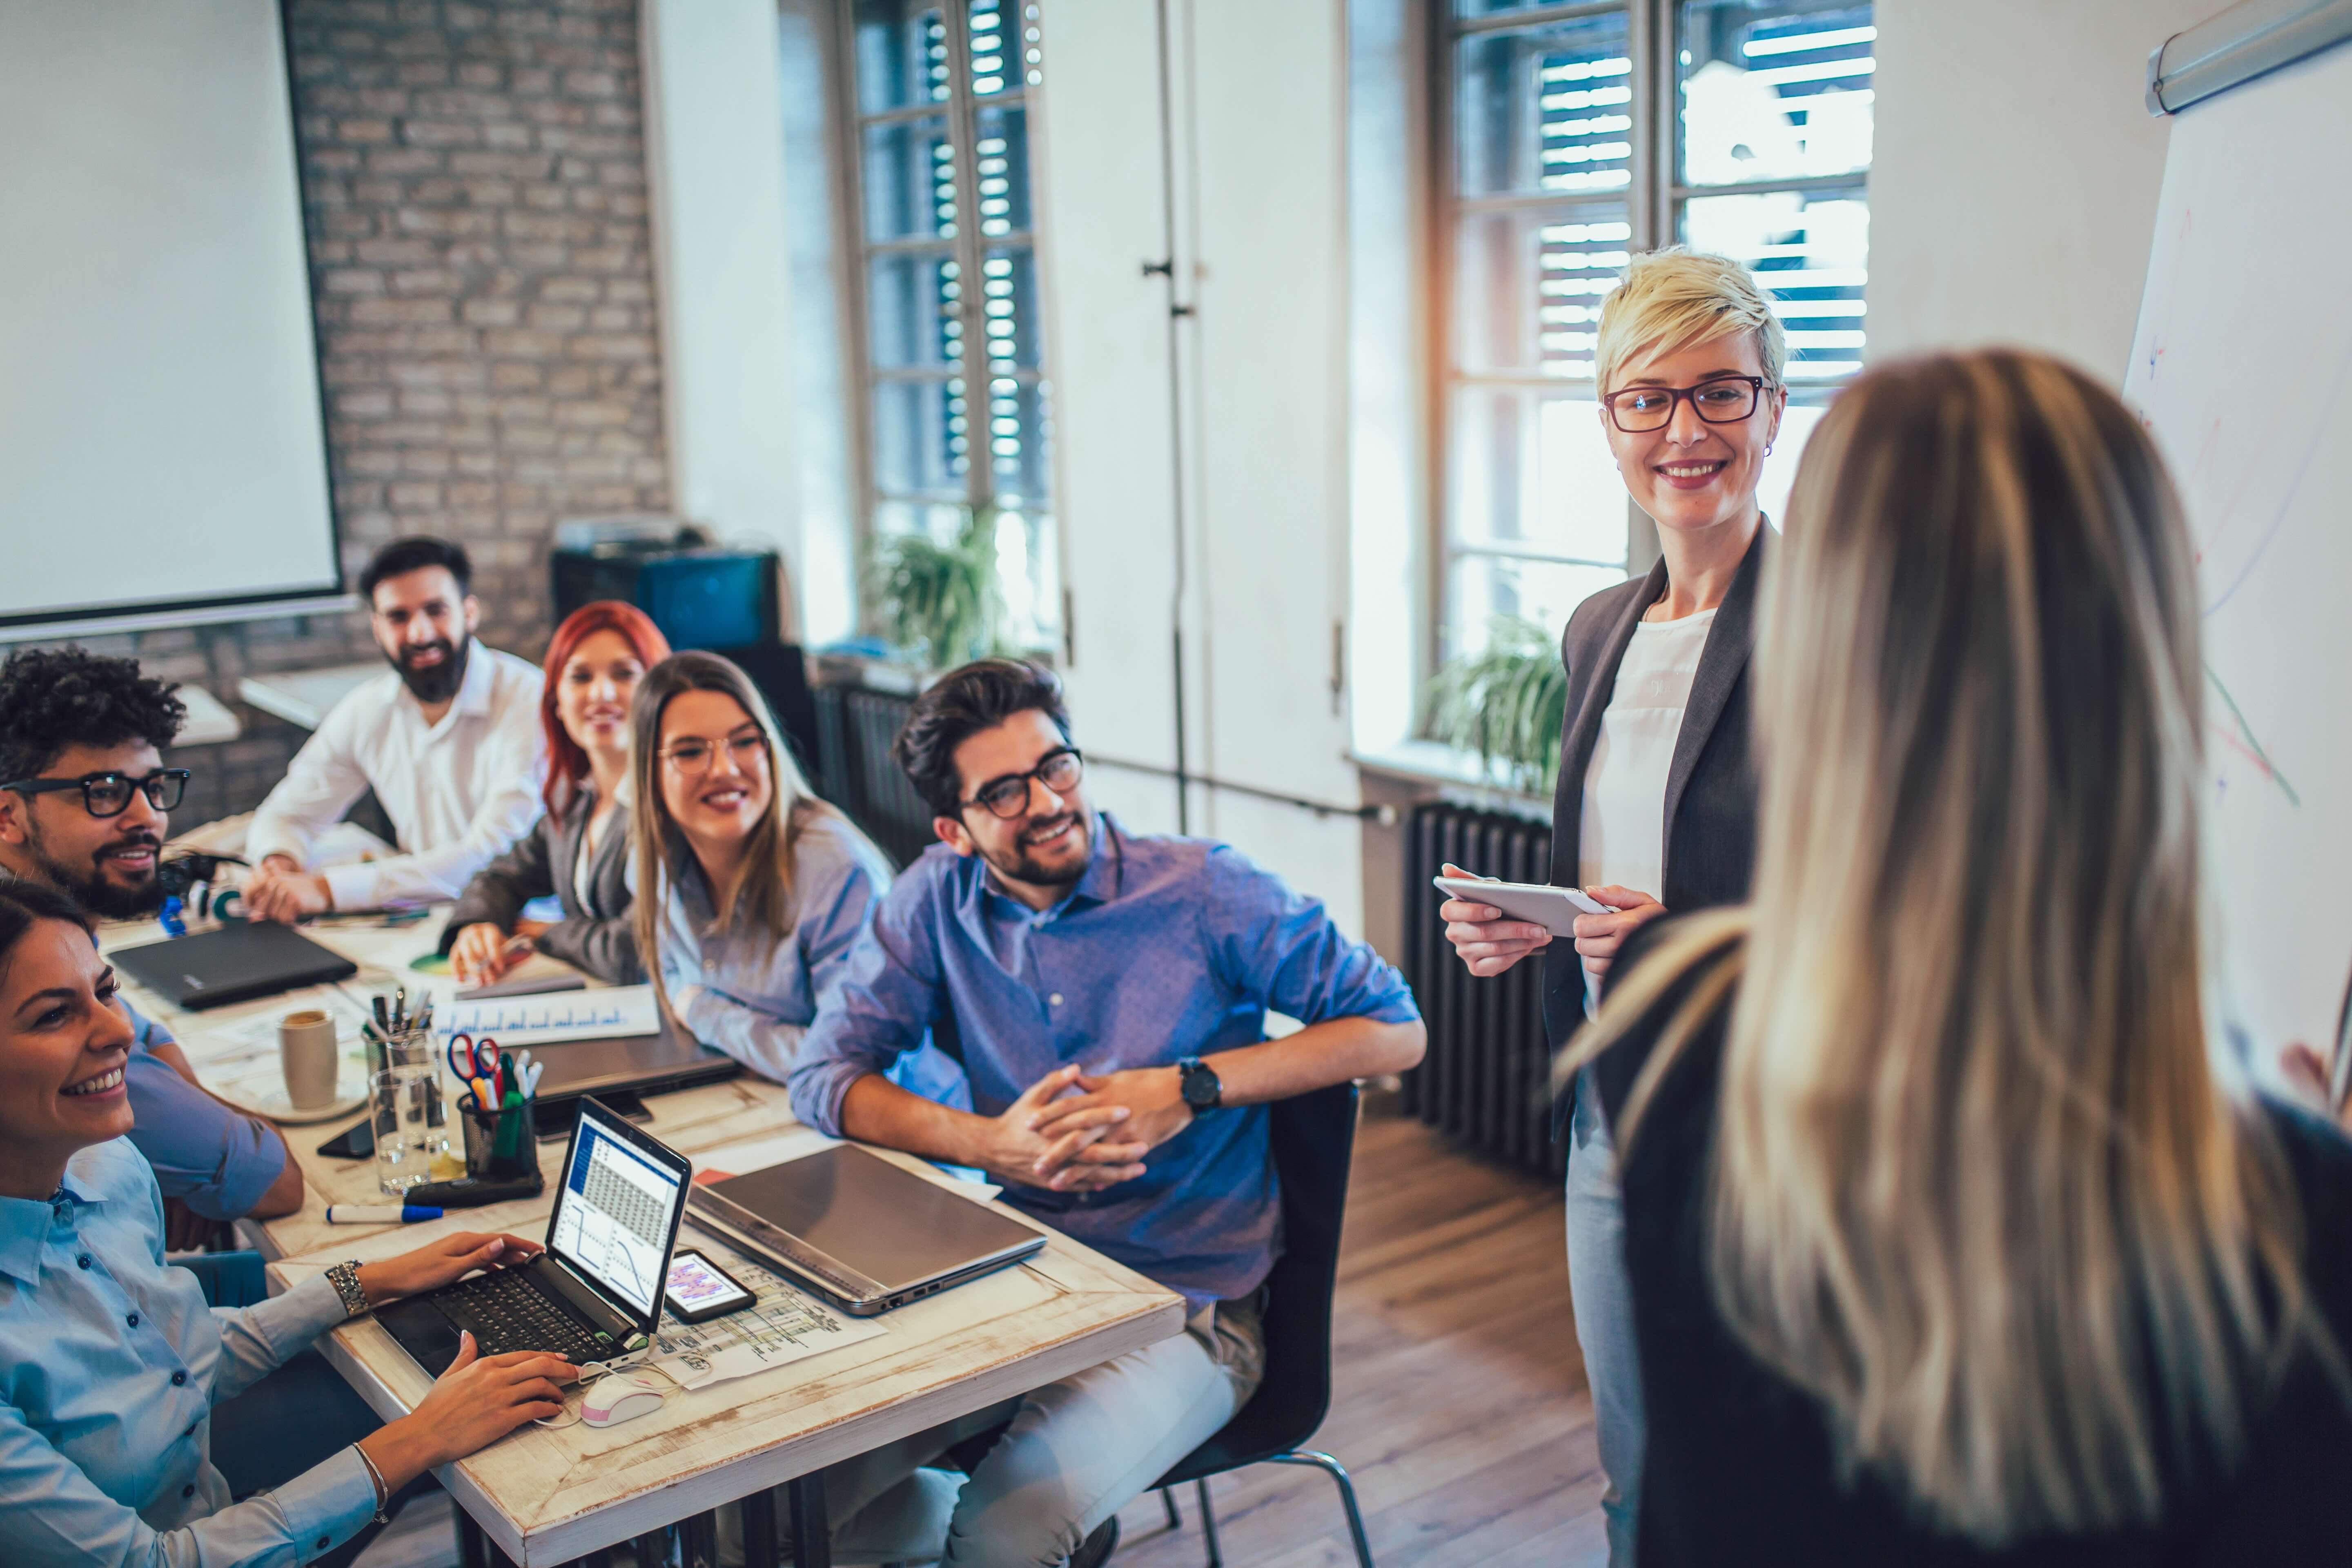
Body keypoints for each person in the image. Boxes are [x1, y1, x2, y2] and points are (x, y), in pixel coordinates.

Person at [1564, 350, 2352, 1564]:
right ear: (2148, 665)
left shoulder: (1678, 1032)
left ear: (1828, 661)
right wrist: (2289, 1166)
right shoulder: (2288, 1218)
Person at [784, 659, 1426, 1568]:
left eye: (1057, 767)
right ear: (954, 830)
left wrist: (1188, 1085)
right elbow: (822, 1076)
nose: (1047, 802)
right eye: (1003, 793)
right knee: (788, 1511)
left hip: (1191, 1303)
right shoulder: (934, 899)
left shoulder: (1205, 888)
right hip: (1020, 1272)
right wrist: (991, 1146)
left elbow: (1397, 1031)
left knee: (1008, 1534)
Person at [1437, 245, 1780, 1561]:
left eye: (1720, 393)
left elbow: (1887, 920)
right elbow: (1616, 871)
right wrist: (1523, 918)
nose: (1685, 430)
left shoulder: (1833, 624)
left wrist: (1684, 944)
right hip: (1609, 1113)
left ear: (1772, 408)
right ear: (1609, 422)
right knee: (1634, 1472)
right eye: (1649, 398)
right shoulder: (1596, 627)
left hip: (1765, 1130)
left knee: (1752, 1484)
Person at [0, 879, 578, 1567]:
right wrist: (417, 1440)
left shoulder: (105, 1168)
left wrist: (365, 1281)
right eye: (53, 1017)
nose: (120, 1031)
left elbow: (170, 1364)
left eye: (106, 991)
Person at [0, 646, 303, 1245]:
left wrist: (172, 1136)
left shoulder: (48, 927)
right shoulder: (24, 953)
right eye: (104, 790)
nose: (149, 819)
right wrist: (206, 1136)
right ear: (8, 817)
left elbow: (143, 1039)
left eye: (154, 786)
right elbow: (277, 1183)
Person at [628, 651, 898, 1082]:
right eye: (691, 751)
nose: (724, 768)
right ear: (649, 773)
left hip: (886, 1131)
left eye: (745, 741)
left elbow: (848, 1064)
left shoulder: (836, 870)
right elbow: (672, 979)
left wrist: (706, 1013)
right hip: (751, 1093)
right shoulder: (650, 863)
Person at [243, 536, 544, 920]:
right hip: (418, 920)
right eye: (399, 617)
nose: (420, 634)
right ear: (377, 629)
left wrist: (327, 889)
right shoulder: (368, 709)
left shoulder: (529, 699)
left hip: (522, 924)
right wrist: (279, 865)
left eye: (436, 610)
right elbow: (287, 814)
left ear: (469, 613)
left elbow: (492, 857)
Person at [443, 601, 671, 986]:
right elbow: (502, 875)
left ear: (658, 691)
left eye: (624, 674)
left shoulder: (674, 803)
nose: (601, 693)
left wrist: (543, 932)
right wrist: (479, 923)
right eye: (581, 677)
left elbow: (637, 952)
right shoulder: (574, 798)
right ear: (557, 703)